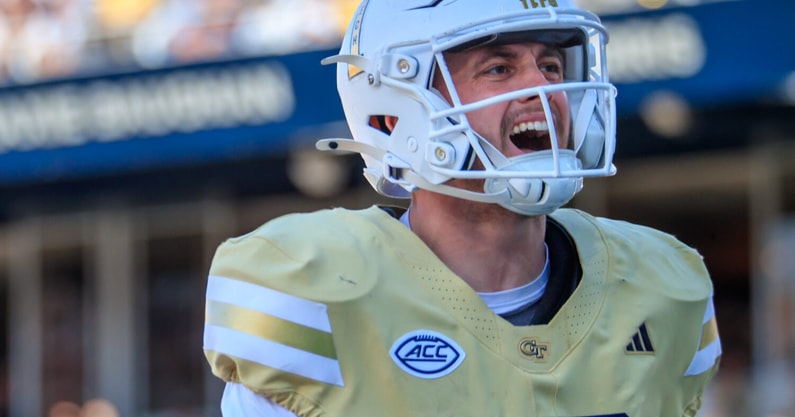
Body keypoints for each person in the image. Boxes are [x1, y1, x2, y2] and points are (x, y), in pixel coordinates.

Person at [203, 0, 722, 416]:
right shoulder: (309, 293)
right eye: (499, 68)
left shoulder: (662, 288)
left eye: (550, 64)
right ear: (391, 115)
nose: (543, 88)